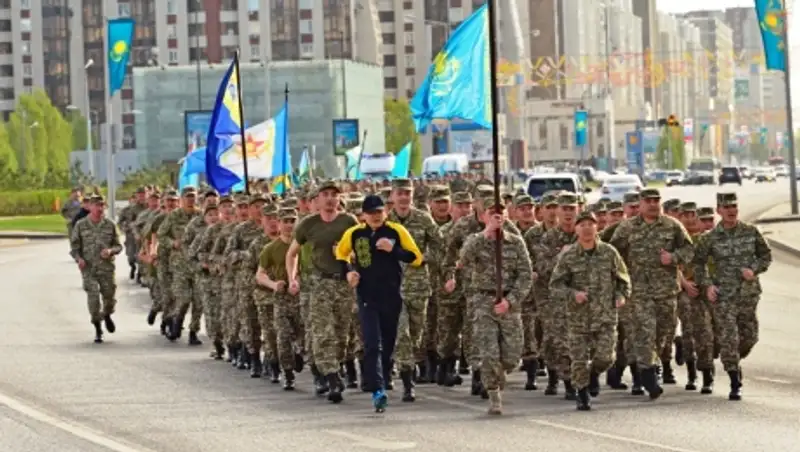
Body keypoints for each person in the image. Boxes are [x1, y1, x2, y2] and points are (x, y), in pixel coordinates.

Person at [334, 194, 423, 412]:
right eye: (371, 213)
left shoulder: (395, 231)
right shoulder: (354, 233)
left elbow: (416, 258)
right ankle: (378, 391)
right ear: (363, 215)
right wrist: (349, 272)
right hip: (367, 297)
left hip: (391, 296)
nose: (376, 216)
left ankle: (385, 373)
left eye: (379, 212)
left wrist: (394, 250)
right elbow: (341, 254)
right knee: (372, 344)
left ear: (386, 212)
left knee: (388, 345)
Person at [692, 192, 772, 401]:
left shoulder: (751, 231)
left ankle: (730, 355)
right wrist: (707, 286)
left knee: (749, 338)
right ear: (719, 210)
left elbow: (766, 256)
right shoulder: (709, 238)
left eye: (734, 206)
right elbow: (698, 264)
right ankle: (735, 381)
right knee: (730, 338)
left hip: (748, 294)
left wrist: (754, 270)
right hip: (723, 296)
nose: (731, 210)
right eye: (726, 207)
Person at [457, 198, 532, 415]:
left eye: (500, 212)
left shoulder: (516, 242)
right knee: (489, 351)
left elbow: (525, 275)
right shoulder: (475, 240)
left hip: (509, 303)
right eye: (492, 213)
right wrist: (486, 233)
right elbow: (464, 259)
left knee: (512, 355)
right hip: (483, 302)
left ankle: (499, 375)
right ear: (483, 217)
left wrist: (511, 300)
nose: (497, 216)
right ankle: (493, 393)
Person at [286, 180, 358, 403]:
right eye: (325, 194)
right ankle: (332, 377)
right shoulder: (309, 224)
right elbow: (292, 254)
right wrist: (292, 278)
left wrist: (348, 257)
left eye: (333, 195)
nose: (329, 199)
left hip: (343, 285)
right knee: (322, 332)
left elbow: (361, 252)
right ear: (317, 199)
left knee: (341, 335)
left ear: (339, 199)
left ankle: (327, 368)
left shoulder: (349, 222)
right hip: (317, 285)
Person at [550, 211, 631, 411]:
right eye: (582, 224)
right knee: (578, 358)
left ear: (597, 228)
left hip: (605, 315)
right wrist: (573, 294)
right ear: (576, 229)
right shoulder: (568, 256)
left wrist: (621, 296)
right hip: (578, 317)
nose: (587, 228)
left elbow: (624, 280)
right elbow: (556, 285)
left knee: (606, 357)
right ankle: (582, 393)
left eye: (591, 224)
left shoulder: (609, 252)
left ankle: (593, 374)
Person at [70, 195, 123, 343]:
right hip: (89, 269)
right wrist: (78, 259)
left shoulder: (110, 225)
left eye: (102, 205)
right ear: (90, 207)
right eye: (96, 205)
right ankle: (98, 328)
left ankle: (106, 314)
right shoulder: (81, 225)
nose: (100, 209)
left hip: (106, 269)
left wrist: (111, 251)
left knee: (109, 299)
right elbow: (74, 247)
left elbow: (119, 246)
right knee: (93, 299)